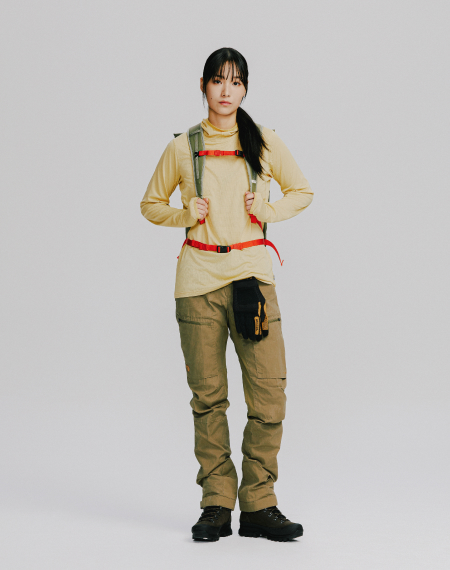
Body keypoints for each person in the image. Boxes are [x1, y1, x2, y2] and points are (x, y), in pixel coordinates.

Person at [140, 47, 313, 542]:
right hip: (197, 283)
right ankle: (216, 503)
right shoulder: (183, 147)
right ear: (203, 85)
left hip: (252, 279)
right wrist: (185, 214)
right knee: (208, 399)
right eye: (218, 80)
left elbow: (302, 191)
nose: (226, 90)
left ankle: (259, 504)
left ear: (245, 89)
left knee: (269, 396)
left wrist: (267, 209)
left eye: (236, 82)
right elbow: (150, 204)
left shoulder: (264, 141)